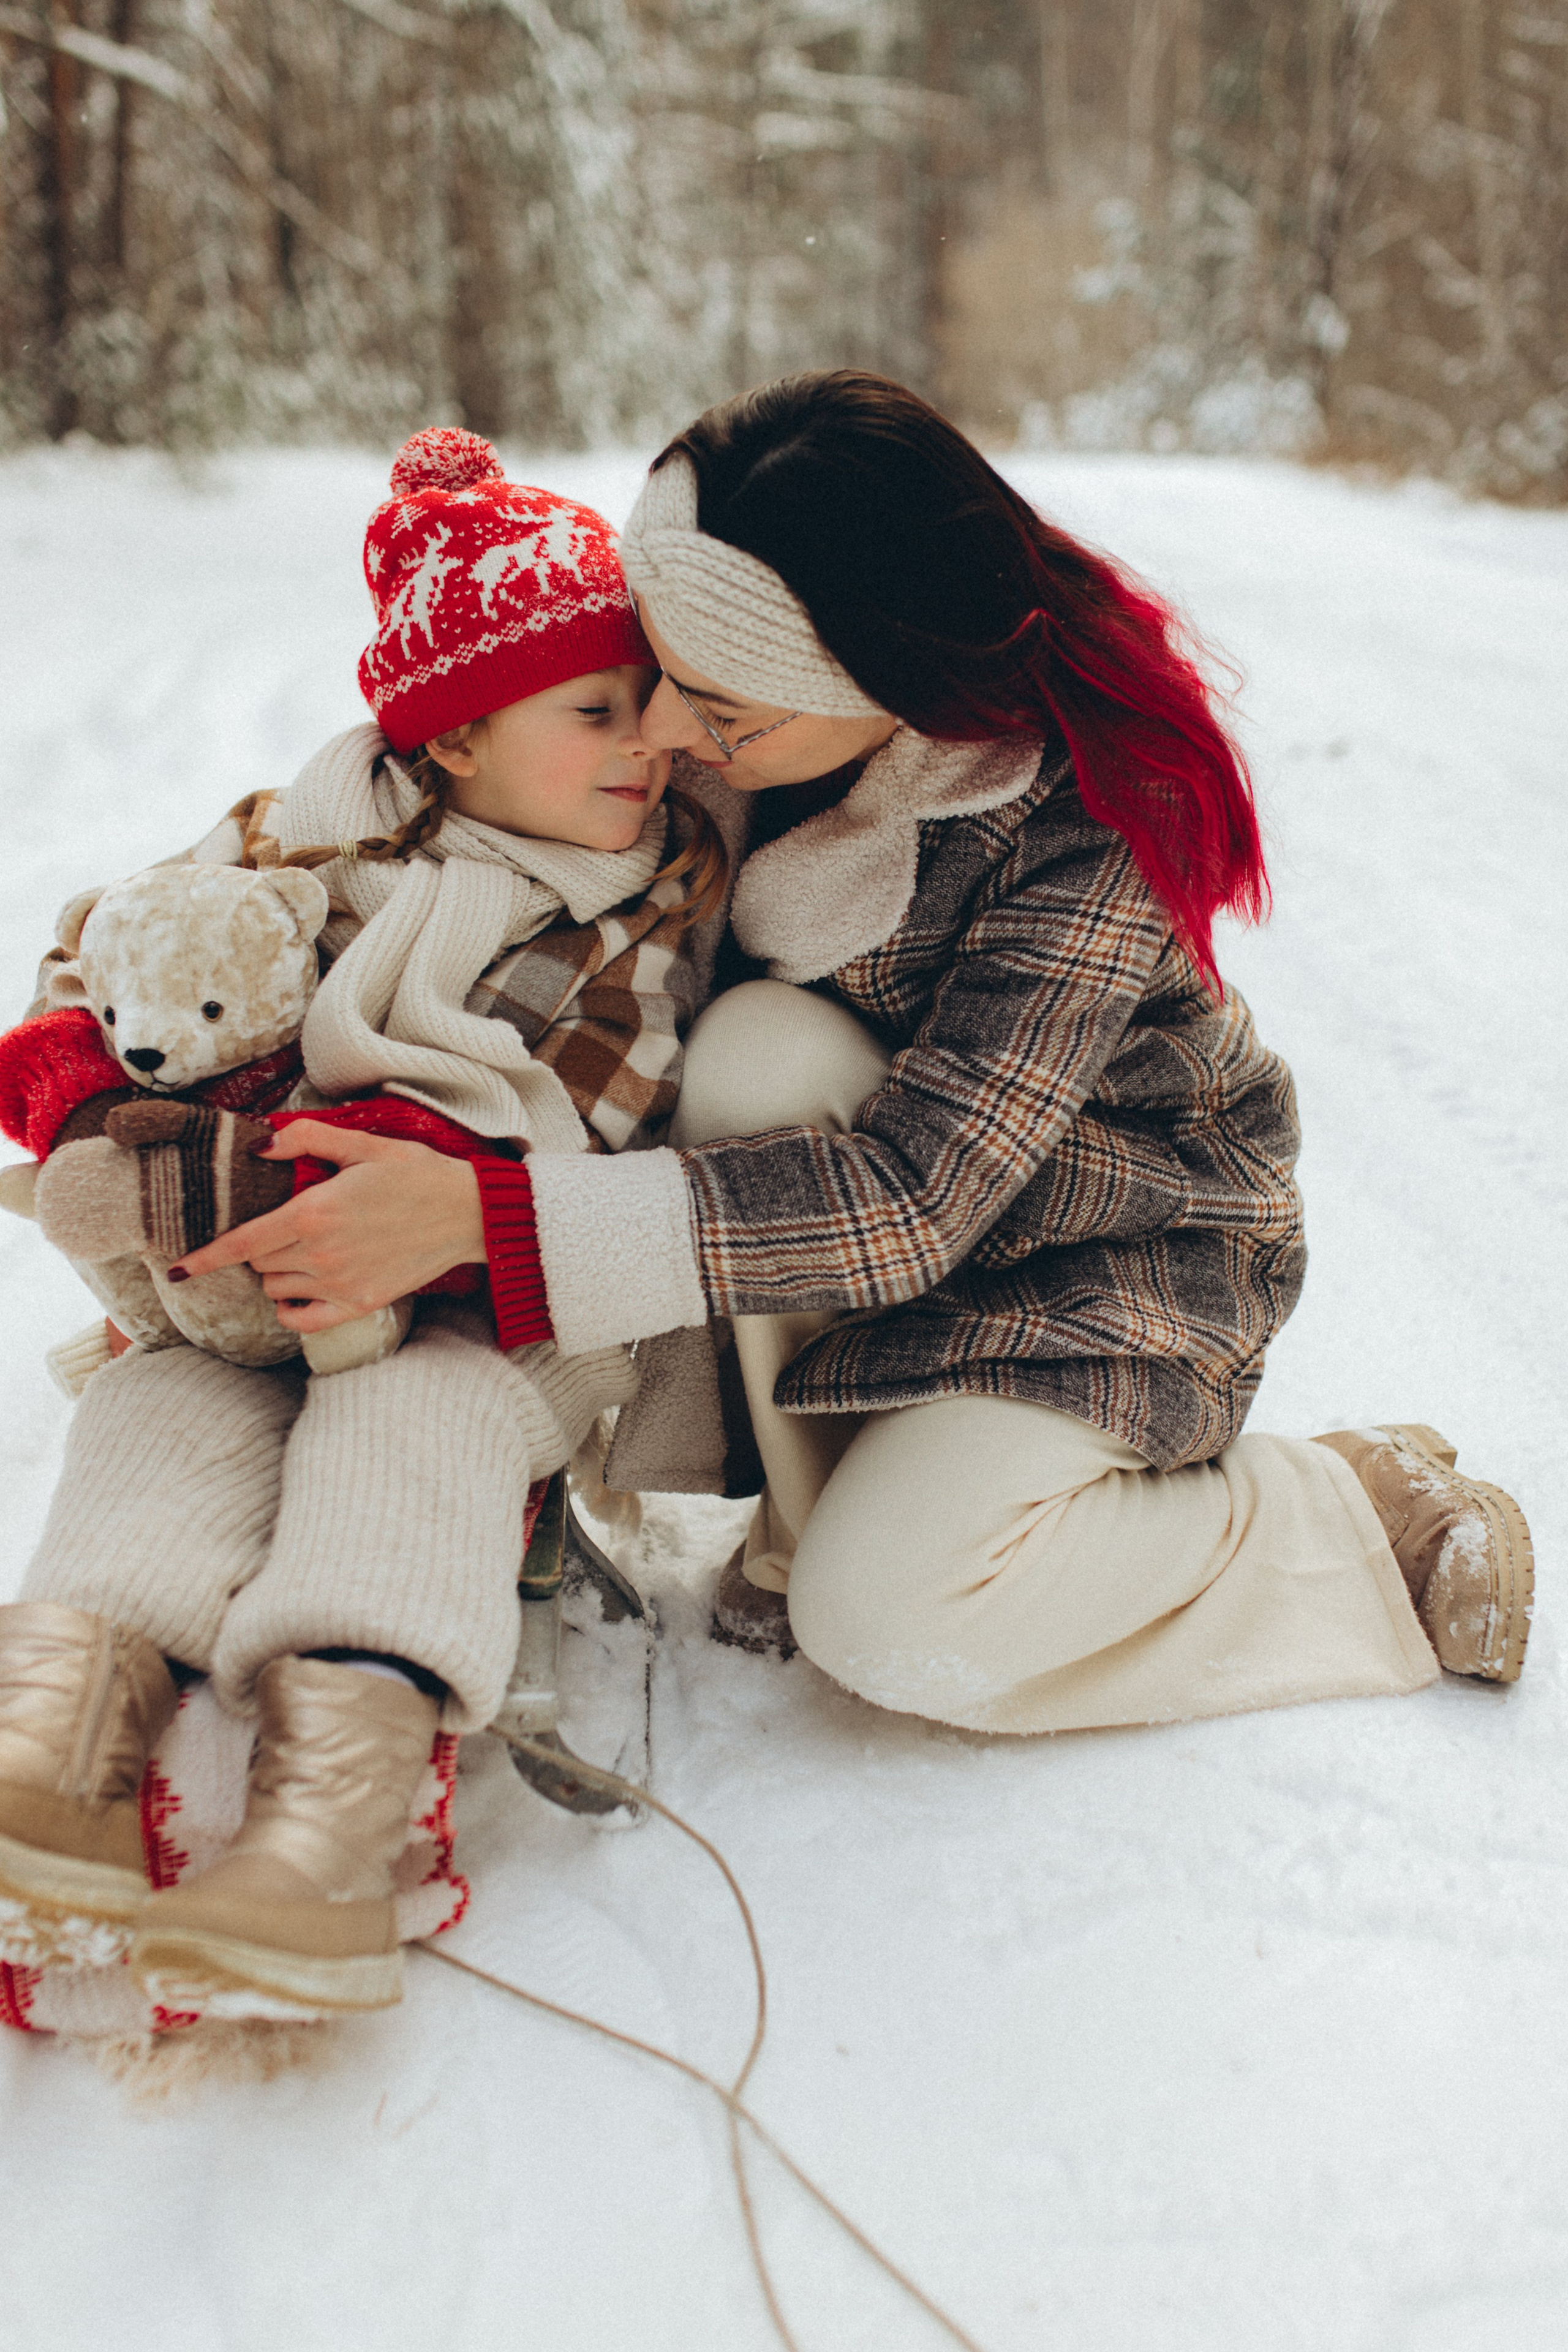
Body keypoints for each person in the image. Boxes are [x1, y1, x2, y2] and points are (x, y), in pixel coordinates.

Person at [149, 372, 1534, 1751]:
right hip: (872, 1223)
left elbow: (918, 1195)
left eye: (716, 710)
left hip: (1112, 1253)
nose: (663, 736)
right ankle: (807, 1529)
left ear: (880, 678)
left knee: (895, 1622)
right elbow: (468, 814)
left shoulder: (1088, 823)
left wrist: (491, 1220)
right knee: (752, 1050)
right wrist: (197, 962)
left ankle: (1349, 1514)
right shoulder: (743, 726)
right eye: (653, 675)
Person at [0, 427, 725, 2014]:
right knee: (160, 1408)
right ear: (454, 735)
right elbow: (121, 947)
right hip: (243, 1269)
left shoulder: (642, 903)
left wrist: (411, 1194)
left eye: (650, 706)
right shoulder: (290, 832)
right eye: (596, 711)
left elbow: (600, 1112)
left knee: (413, 1431)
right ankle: (58, 1741)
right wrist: (96, 1092)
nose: (648, 747)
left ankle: (330, 1827)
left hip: (494, 1289)